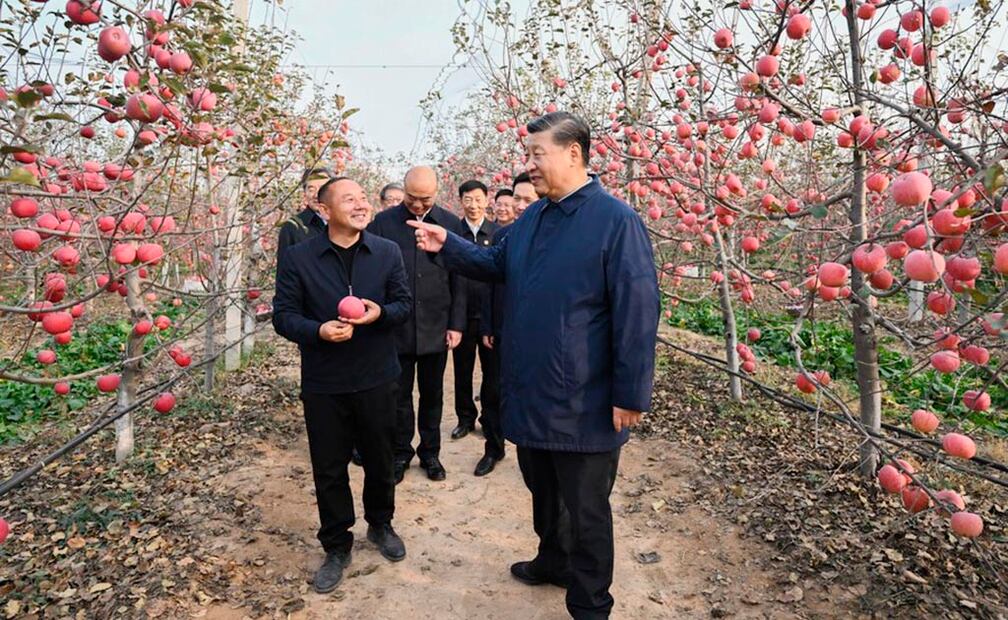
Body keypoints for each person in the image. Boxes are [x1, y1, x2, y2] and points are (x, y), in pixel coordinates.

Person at [407, 112, 660, 620]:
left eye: (537, 155)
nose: (530, 166)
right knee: (543, 490)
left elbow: (638, 312)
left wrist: (630, 393)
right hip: (535, 389)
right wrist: (449, 244)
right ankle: (552, 560)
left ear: (573, 153)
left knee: (587, 510)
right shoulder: (534, 221)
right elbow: (499, 265)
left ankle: (590, 604)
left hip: (586, 398)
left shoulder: (615, 221)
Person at [272, 176, 411, 594]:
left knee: (380, 456)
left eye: (363, 198)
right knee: (329, 466)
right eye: (348, 199)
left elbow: (403, 305)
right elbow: (283, 315)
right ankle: (336, 544)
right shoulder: (299, 258)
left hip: (377, 375)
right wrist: (317, 331)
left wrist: (378, 314)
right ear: (324, 209)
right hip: (325, 381)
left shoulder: (386, 253)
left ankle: (381, 524)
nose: (361, 204)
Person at [368, 166, 466, 483]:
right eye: (412, 198)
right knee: (398, 395)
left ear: (436, 193)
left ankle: (430, 453)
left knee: (432, 394)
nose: (419, 205)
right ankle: (400, 453)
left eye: (425, 199)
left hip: (436, 325)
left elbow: (460, 279)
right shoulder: (382, 224)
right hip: (396, 326)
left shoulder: (450, 224)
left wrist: (456, 324)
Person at [449, 181, 502, 472]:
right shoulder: (453, 233)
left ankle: (488, 420)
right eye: (467, 199)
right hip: (462, 316)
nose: (473, 204)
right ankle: (465, 418)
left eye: (478, 199)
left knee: (492, 374)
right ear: (461, 201)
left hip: (490, 316)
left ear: (487, 200)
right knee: (462, 371)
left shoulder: (496, 233)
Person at [278, 167, 333, 257]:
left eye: (322, 188)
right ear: (305, 194)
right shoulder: (293, 228)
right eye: (311, 190)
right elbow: (285, 268)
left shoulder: (346, 222)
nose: (316, 195)